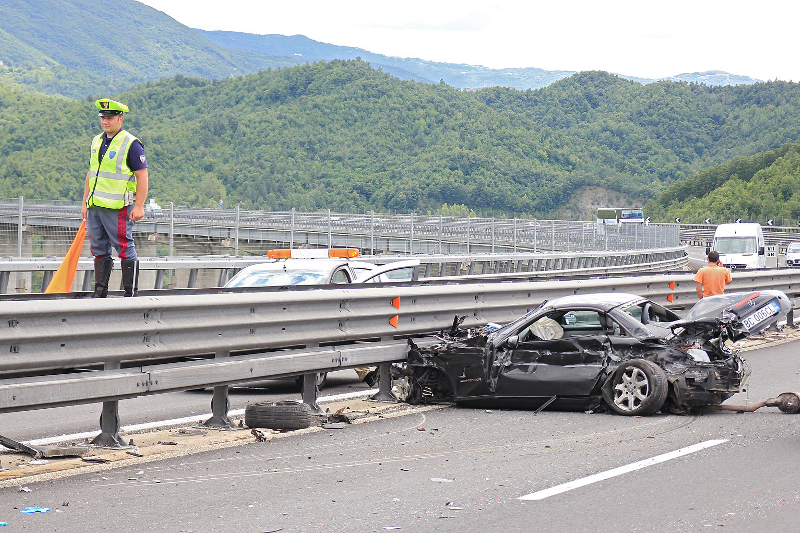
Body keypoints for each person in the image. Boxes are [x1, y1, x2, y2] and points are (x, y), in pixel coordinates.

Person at [81, 98, 149, 297]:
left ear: (120, 119)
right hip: (96, 207)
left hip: (118, 206)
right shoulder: (97, 141)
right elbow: (91, 172)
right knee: (98, 248)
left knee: (124, 247)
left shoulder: (131, 143)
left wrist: (139, 206)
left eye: (110, 117)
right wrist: (85, 202)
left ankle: (130, 294)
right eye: (103, 117)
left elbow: (142, 175)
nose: (105, 121)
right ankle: (100, 292)